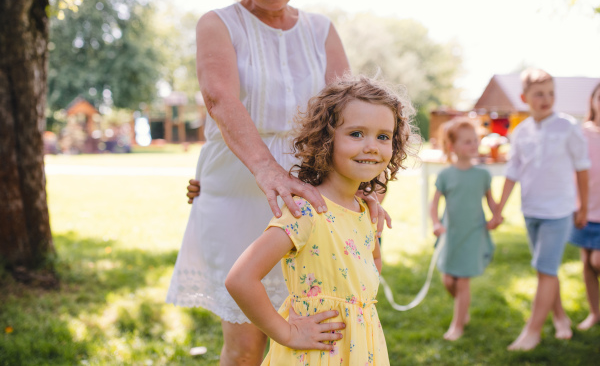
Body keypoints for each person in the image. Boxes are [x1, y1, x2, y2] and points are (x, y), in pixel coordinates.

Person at [167, 0, 389, 364]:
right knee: (247, 339)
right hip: (240, 182)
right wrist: (267, 171)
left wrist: (368, 186)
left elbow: (351, 110)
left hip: (316, 183)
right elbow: (219, 99)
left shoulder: (321, 30)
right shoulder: (218, 23)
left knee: (319, 317)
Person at [225, 75, 417, 365]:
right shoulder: (306, 211)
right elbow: (240, 279)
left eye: (383, 136)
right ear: (326, 140)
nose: (372, 146)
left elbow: (370, 266)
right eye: (356, 134)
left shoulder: (365, 211)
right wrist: (287, 333)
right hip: (314, 353)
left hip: (360, 350)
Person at [492, 68, 590, 351]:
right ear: (525, 98)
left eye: (550, 93)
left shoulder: (568, 126)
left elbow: (582, 168)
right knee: (544, 269)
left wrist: (582, 206)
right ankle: (560, 318)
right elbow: (512, 172)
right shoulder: (520, 132)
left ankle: (532, 331)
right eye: (539, 94)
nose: (546, 99)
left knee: (545, 269)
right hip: (531, 209)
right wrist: (498, 208)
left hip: (558, 212)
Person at [429, 117, 499, 341]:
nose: (474, 145)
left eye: (475, 140)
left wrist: (496, 216)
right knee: (449, 280)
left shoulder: (483, 175)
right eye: (467, 142)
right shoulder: (445, 175)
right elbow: (434, 204)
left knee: (463, 280)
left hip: (473, 233)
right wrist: (436, 223)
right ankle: (463, 308)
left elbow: (491, 202)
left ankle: (457, 325)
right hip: (451, 234)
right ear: (453, 147)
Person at [569, 82, 600, 331]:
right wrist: (575, 206)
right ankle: (594, 313)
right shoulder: (581, 133)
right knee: (586, 263)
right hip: (584, 207)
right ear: (592, 100)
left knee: (597, 260)